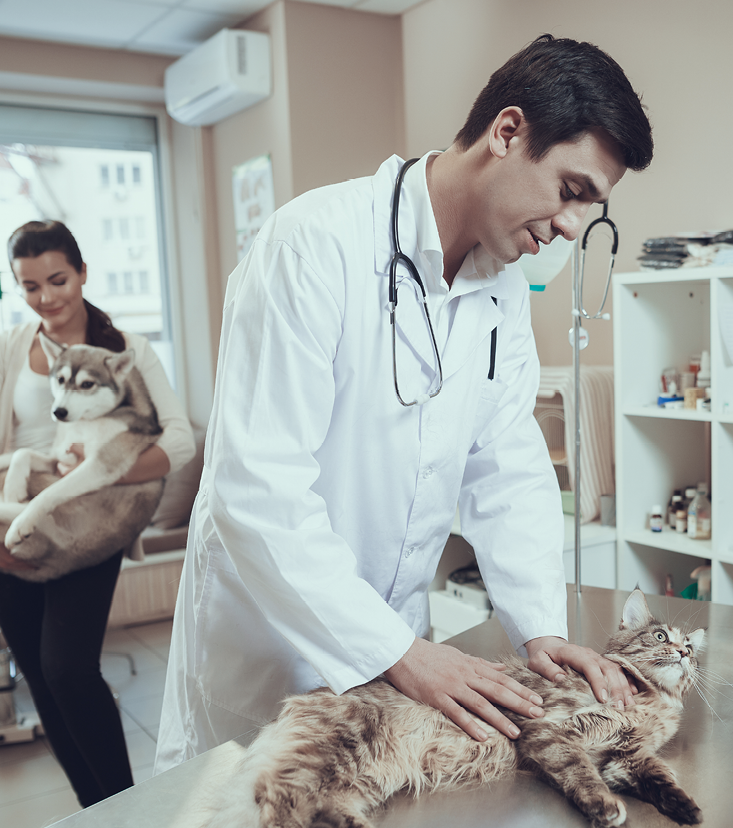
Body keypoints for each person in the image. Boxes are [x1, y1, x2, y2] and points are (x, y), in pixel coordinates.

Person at [155, 35, 653, 772]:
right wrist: (393, 651)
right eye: (571, 190)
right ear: (507, 132)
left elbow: (506, 468)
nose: (572, 227)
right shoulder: (313, 245)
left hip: (395, 649)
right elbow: (255, 490)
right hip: (270, 650)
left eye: (591, 207)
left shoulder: (503, 291)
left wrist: (538, 628)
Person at [0, 220, 195, 807]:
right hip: (4, 527)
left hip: (90, 528)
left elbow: (178, 441)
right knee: (41, 681)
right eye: (30, 286)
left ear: (82, 273)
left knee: (68, 671)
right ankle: (96, 821)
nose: (46, 297)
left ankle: (126, 815)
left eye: (57, 279)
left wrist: (107, 468)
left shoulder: (127, 351)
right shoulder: (4, 350)